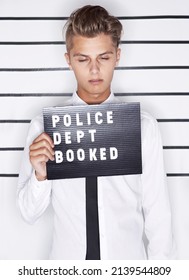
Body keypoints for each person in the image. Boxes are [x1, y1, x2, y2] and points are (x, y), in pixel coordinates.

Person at [17, 5, 176, 260]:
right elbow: (28, 213)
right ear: (68, 59)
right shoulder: (43, 128)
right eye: (83, 59)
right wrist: (40, 175)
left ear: (117, 56)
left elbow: (158, 216)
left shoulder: (143, 127)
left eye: (103, 57)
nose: (94, 70)